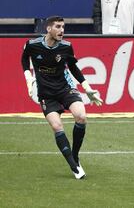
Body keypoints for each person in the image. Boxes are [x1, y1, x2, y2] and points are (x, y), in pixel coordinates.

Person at [21, 16, 103, 179]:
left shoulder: (66, 47)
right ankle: (74, 166)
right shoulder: (33, 45)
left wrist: (87, 88)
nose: (62, 30)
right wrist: (29, 79)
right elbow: (24, 59)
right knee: (57, 126)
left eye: (63, 27)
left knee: (81, 116)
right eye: (58, 27)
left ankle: (75, 156)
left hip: (65, 88)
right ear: (48, 29)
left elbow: (73, 67)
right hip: (45, 93)